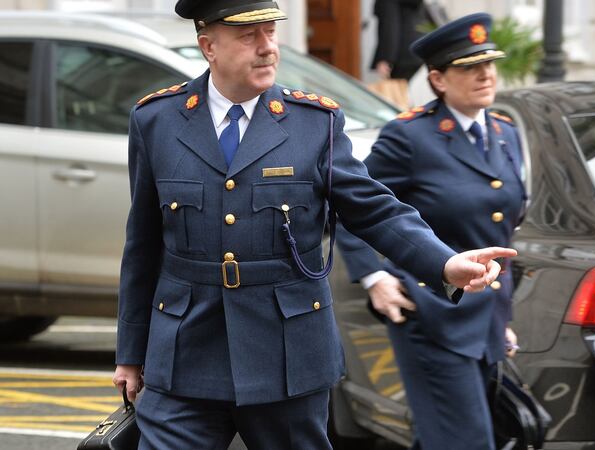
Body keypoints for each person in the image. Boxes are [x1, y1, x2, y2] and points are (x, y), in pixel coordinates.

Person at [111, 1, 515, 449]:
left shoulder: (313, 123)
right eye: (250, 36)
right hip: (184, 351)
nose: (267, 48)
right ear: (209, 46)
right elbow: (143, 246)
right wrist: (130, 354)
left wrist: (444, 263)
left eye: (271, 33)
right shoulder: (157, 121)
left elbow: (374, 209)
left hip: (287, 354)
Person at [336, 13, 527, 450]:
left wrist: (502, 320)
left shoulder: (504, 134)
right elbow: (352, 207)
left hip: (485, 322)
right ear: (439, 80)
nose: (485, 74)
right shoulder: (410, 137)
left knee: (449, 436)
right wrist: (374, 278)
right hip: (431, 316)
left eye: (489, 63)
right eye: (468, 66)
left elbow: (500, 230)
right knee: (465, 441)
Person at [371, 0, 426, 81]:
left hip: (400, 58)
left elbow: (390, 27)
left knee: (398, 92)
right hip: (418, 52)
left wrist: (385, 59)